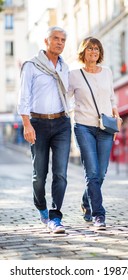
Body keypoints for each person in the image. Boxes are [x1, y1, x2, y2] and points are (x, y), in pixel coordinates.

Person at [18, 26, 71, 234]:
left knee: (61, 173)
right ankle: (41, 206)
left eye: (63, 40)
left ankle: (55, 217)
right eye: (56, 38)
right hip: (37, 123)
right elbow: (23, 97)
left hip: (62, 124)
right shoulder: (31, 66)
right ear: (46, 41)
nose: (60, 42)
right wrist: (26, 124)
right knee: (39, 175)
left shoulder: (65, 68)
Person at [68, 37, 121, 230]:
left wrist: (115, 111)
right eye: (90, 48)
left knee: (101, 172)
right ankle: (99, 215)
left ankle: (86, 201)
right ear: (84, 52)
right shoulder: (74, 75)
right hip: (83, 127)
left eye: (97, 49)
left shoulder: (107, 72)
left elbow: (111, 97)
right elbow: (65, 98)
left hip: (105, 127)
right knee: (92, 172)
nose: (94, 52)